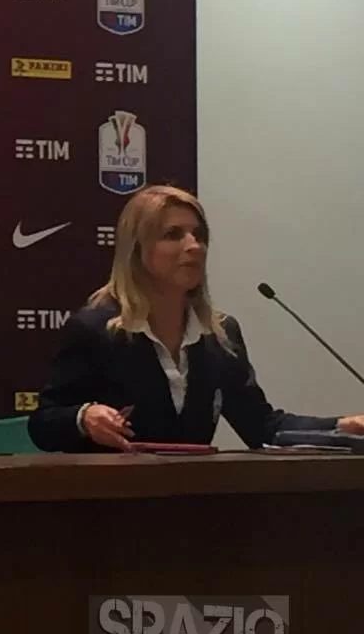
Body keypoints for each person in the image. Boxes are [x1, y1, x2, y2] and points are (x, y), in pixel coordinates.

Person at [29, 184, 364, 451]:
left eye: (199, 235)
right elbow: (43, 425)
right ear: (137, 249)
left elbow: (263, 428)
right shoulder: (95, 329)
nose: (194, 246)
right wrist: (83, 417)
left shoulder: (220, 334)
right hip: (112, 505)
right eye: (173, 235)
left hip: (196, 504)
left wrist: (343, 425)